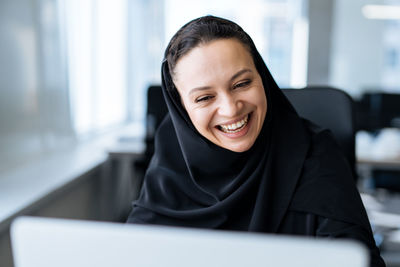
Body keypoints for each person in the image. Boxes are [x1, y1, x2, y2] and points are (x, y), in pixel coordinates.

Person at [127, 16, 385, 266]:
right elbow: (131, 254)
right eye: (204, 98)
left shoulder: (314, 154)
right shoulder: (171, 162)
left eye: (241, 83)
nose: (230, 109)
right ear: (181, 109)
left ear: (262, 78)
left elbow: (356, 259)